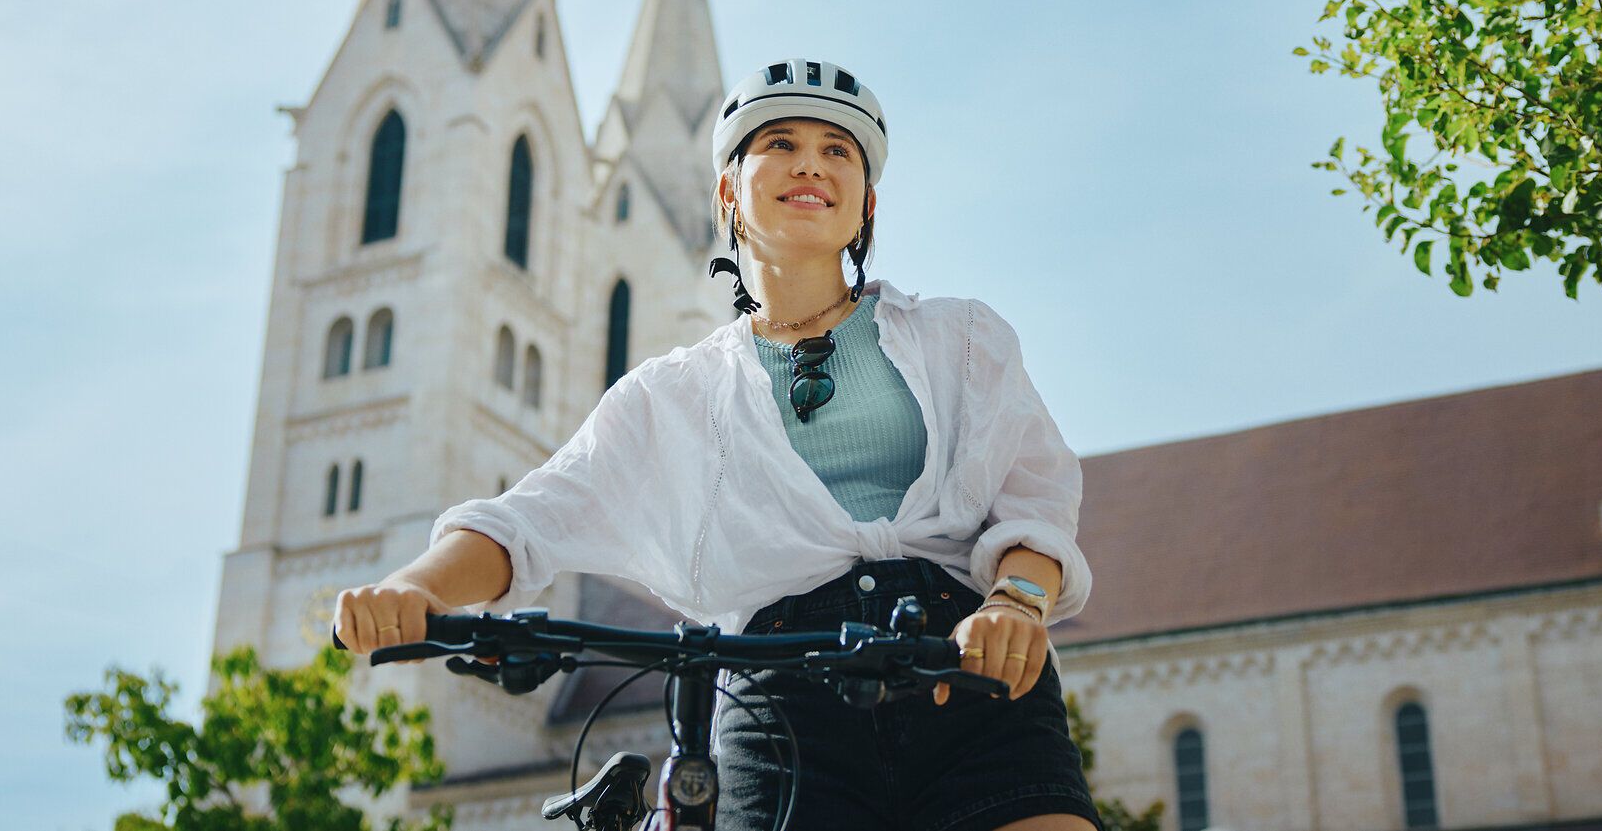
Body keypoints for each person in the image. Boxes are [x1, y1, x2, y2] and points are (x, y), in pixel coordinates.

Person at [336, 59, 1099, 831]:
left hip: (966, 674)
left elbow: (1033, 501)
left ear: (865, 203)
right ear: (729, 191)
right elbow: (526, 519)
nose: (810, 161)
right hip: (782, 709)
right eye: (780, 142)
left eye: (839, 150)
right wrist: (417, 587)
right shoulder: (669, 396)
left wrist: (1015, 603)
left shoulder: (960, 338)